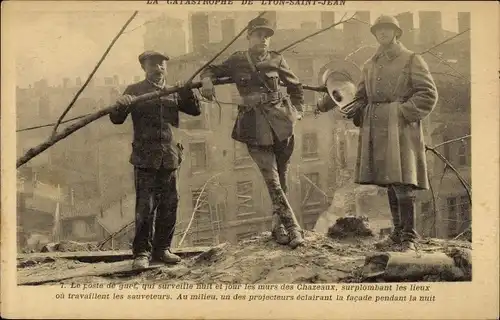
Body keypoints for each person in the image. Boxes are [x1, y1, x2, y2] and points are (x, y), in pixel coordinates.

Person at [199, 17, 306, 249]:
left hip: (281, 124)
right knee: (272, 180)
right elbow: (211, 69)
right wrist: (207, 80)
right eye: (258, 35)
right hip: (253, 126)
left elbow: (296, 86)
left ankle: (278, 227)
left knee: (283, 179)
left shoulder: (277, 59)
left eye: (267, 36)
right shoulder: (237, 60)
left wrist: (297, 112)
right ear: (249, 36)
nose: (263, 39)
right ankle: (294, 228)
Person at [343, 15, 438, 251]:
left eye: (387, 29)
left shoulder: (411, 60)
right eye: (378, 30)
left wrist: (402, 113)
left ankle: (409, 236)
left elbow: (428, 94)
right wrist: (354, 106)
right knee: (389, 181)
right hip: (377, 127)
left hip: (400, 128)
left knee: (403, 180)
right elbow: (362, 96)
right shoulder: (370, 64)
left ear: (397, 33)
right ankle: (397, 233)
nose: (382, 33)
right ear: (374, 34)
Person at [109, 51, 201, 268]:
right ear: (144, 68)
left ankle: (163, 249)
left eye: (162, 64)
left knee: (170, 205)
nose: (158, 68)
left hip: (169, 156)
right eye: (153, 64)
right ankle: (141, 253)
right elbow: (116, 119)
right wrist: (121, 103)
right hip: (145, 157)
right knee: (145, 207)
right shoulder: (134, 91)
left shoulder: (173, 90)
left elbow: (195, 110)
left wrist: (186, 91)